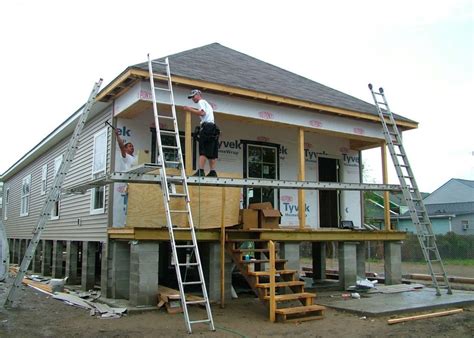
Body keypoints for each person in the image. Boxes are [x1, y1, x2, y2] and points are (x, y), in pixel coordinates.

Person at [184, 89, 219, 177]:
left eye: (193, 96)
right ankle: (212, 172)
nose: (193, 99)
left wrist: (189, 109)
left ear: (198, 94)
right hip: (213, 128)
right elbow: (204, 112)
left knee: (203, 149)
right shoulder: (207, 104)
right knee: (212, 151)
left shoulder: (201, 102)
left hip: (207, 127)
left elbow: (202, 113)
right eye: (192, 98)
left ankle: (201, 171)